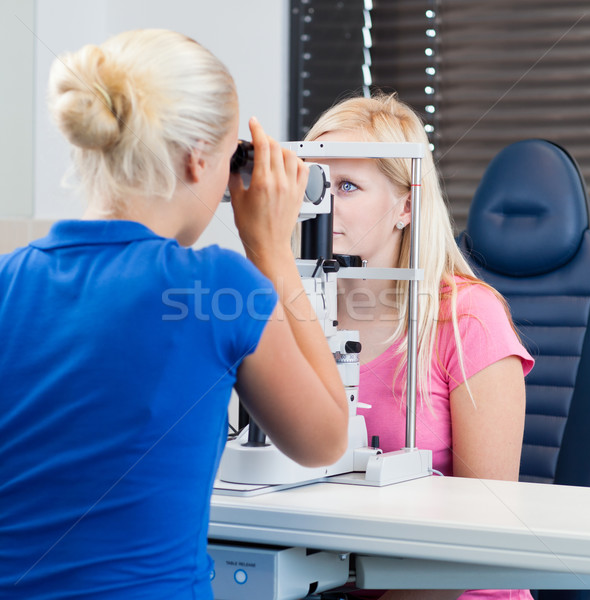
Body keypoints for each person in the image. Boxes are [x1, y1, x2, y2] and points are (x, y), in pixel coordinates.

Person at [0, 29, 348, 599]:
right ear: (197, 161)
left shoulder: (6, 280)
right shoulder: (216, 284)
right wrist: (272, 249)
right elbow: (325, 440)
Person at [305, 94, 534, 600]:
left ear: (405, 206)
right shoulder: (295, 313)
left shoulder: (468, 319)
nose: (321, 202)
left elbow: (483, 526)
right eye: (314, 181)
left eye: (346, 185)